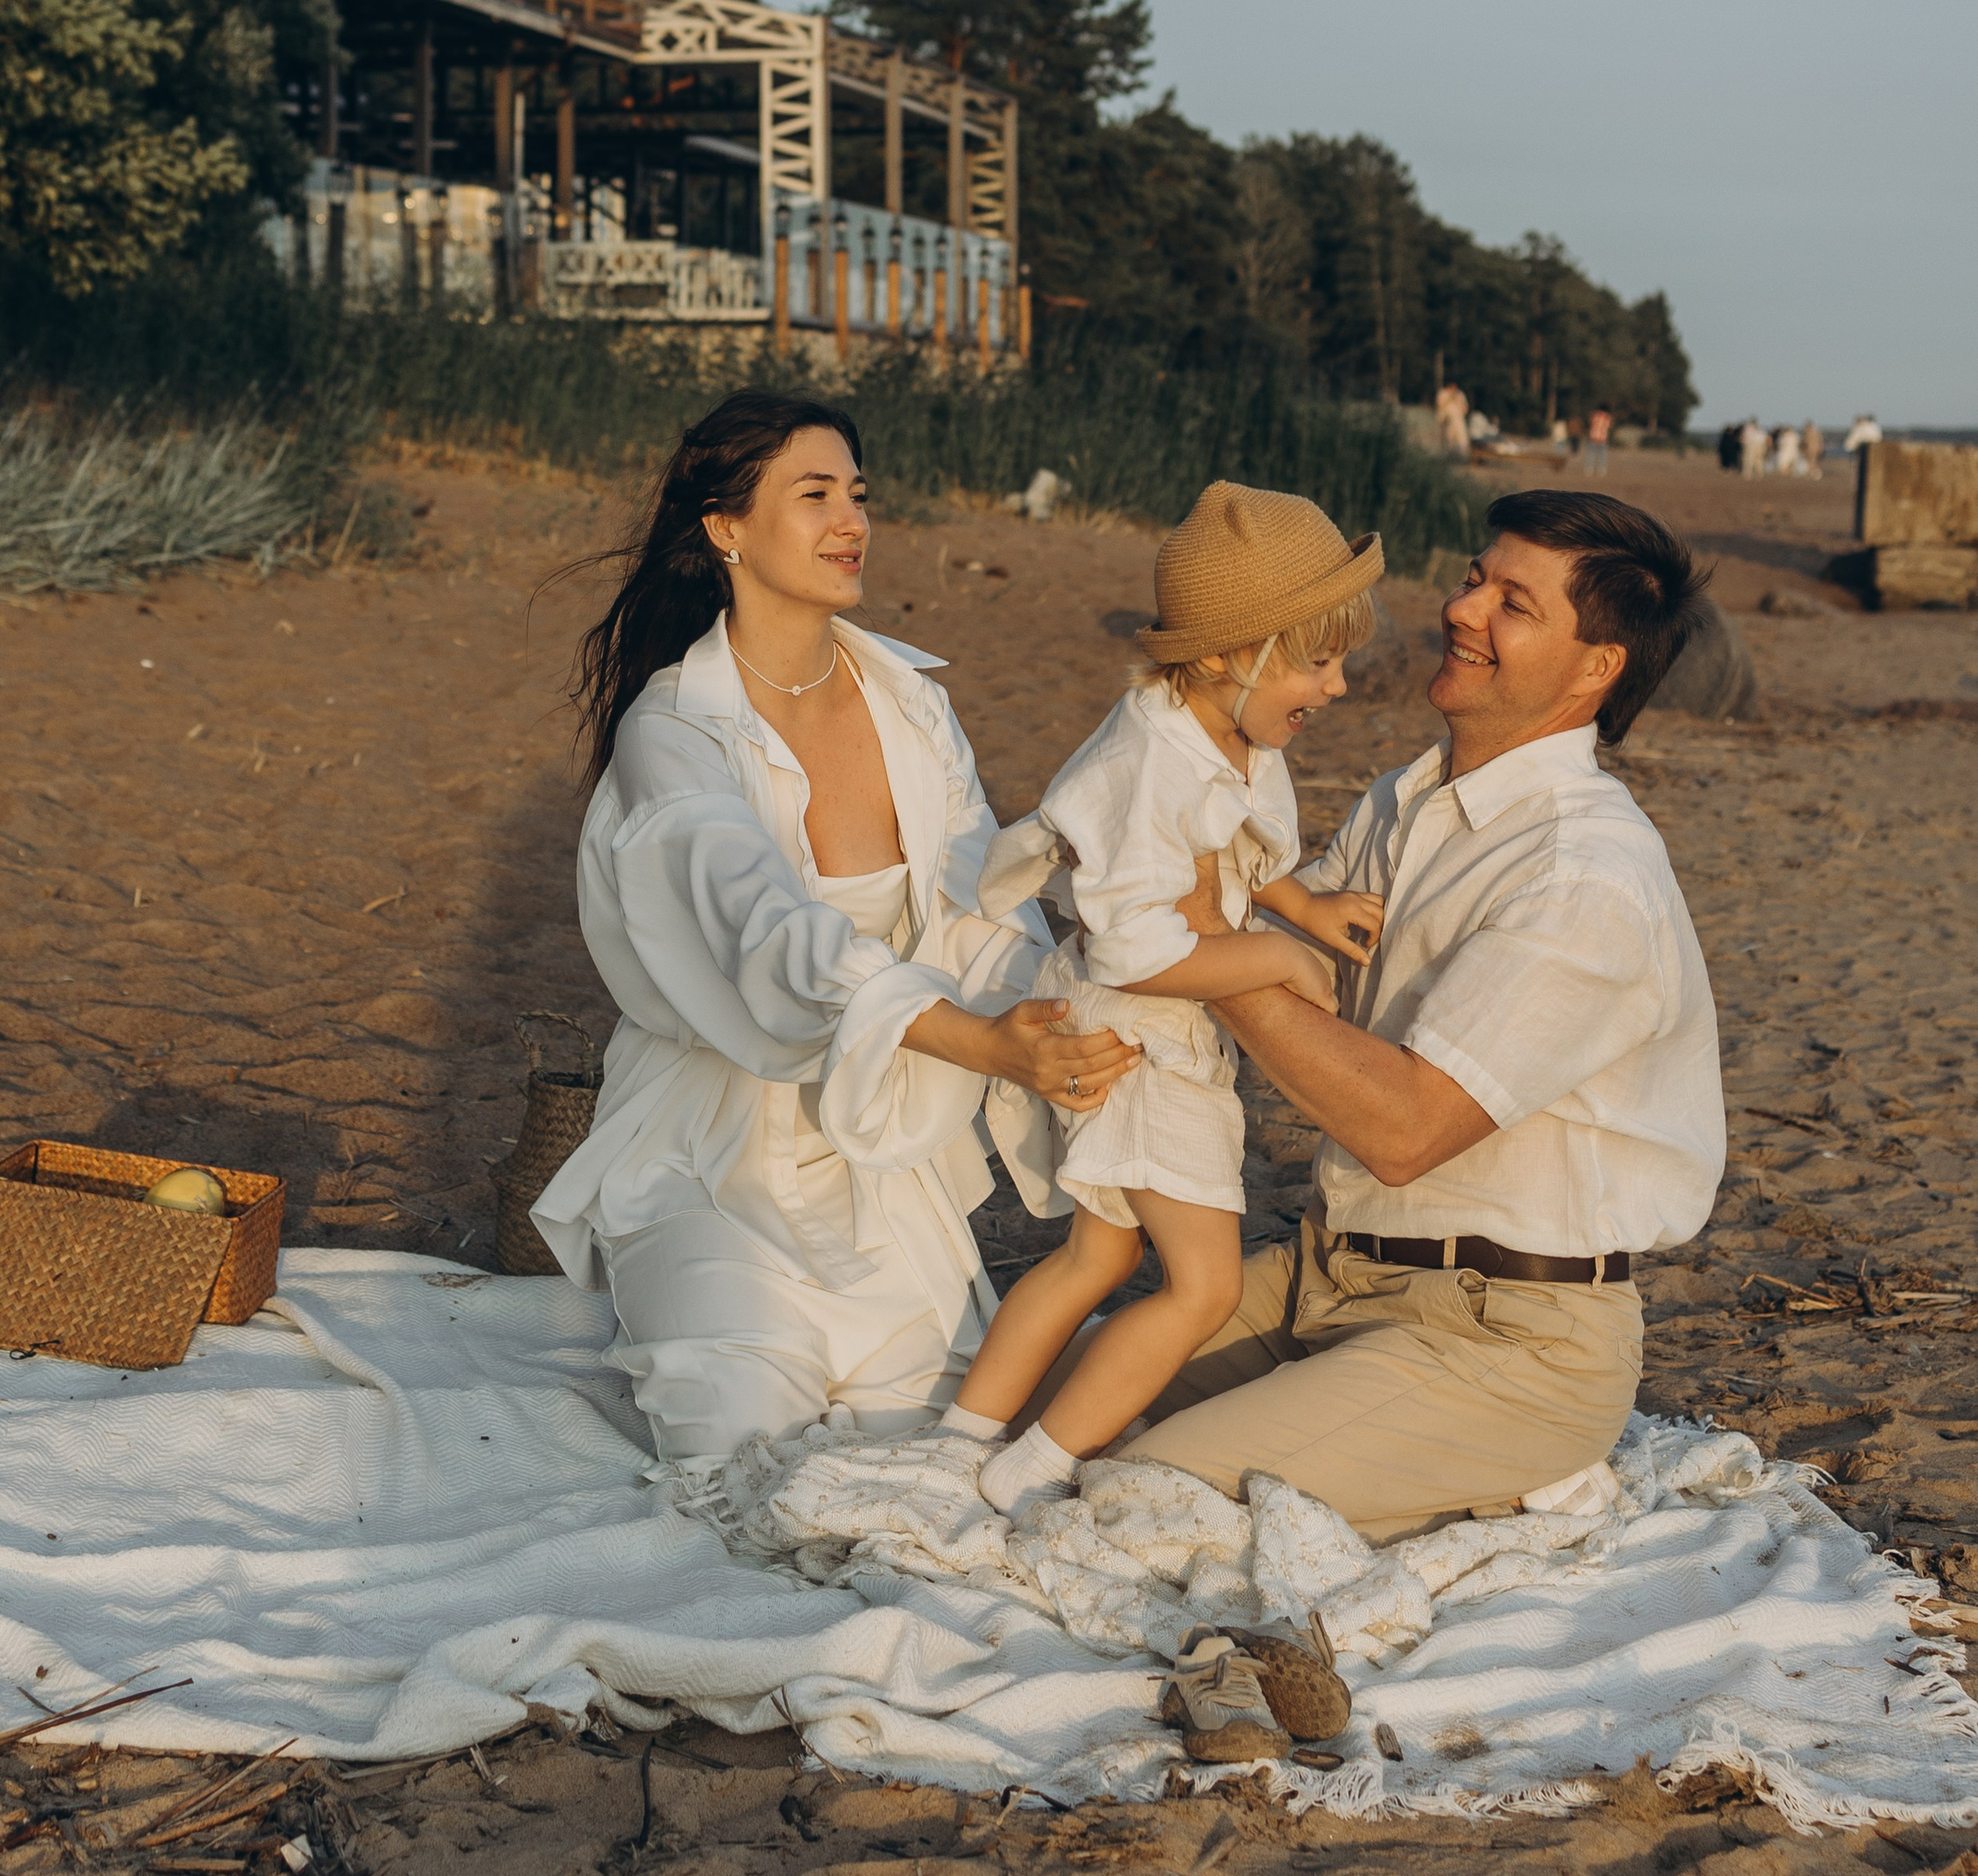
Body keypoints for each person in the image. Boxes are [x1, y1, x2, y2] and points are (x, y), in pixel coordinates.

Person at [530, 392, 1138, 1463]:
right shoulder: (672, 729)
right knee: (736, 1439)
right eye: (812, 496)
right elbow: (764, 932)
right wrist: (978, 1042)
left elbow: (969, 911)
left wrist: (1073, 1009)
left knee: (916, 1438)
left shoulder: (908, 701)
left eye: (856, 494)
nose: (850, 520)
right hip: (707, 1143)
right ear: (725, 527)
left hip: (879, 1142)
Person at [1125, 489, 1725, 1543]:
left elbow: (1405, 1130)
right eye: (1471, 577)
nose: (1463, 610)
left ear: (1596, 669)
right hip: (1331, 1274)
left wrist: (1206, 952)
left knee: (1150, 1497)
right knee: (1053, 1414)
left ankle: (1499, 1481)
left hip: (1509, 1338)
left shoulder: (1583, 872)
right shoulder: (1411, 799)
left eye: (1514, 604)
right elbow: (1270, 964)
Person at [942, 487, 1387, 1518]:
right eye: (1317, 659)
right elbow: (1138, 948)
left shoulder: (1220, 733)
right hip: (1134, 1034)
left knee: (1101, 1251)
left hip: (1130, 1024)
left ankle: (958, 1437)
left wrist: (1298, 906)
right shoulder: (1144, 764)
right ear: (1237, 653)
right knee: (1206, 1289)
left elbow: (1229, 846)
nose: (1339, 682)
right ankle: (1033, 1465)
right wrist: (1272, 962)